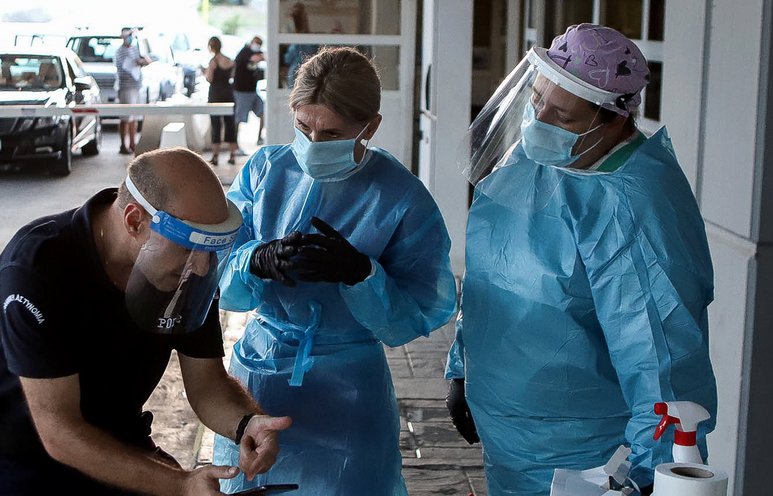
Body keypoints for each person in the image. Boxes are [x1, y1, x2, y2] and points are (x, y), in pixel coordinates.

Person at [444, 23, 719, 496]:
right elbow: (491, 274)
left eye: (563, 116)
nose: (539, 121)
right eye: (536, 100)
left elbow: (662, 359)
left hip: (586, 457)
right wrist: (462, 365)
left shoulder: (633, 206)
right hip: (507, 435)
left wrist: (654, 476)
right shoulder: (533, 161)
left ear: (614, 119)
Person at [211, 46, 457, 495]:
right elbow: (215, 269)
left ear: (370, 127)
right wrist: (255, 260)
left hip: (348, 387)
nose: (313, 143)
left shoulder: (400, 196)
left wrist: (362, 275)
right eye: (303, 127)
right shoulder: (265, 170)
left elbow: (420, 310)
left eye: (331, 134)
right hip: (259, 374)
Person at [0, 147, 292, 495]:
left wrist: (245, 423)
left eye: (210, 250)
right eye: (189, 248)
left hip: (123, 439)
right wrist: (180, 484)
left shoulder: (190, 272)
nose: (201, 268)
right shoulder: (38, 269)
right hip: (27, 461)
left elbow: (207, 383)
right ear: (135, 221)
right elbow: (59, 431)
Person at [114, 28, 151, 155]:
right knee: (126, 117)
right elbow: (125, 66)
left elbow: (146, 61)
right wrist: (137, 62)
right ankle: (123, 145)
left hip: (136, 86)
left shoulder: (136, 49)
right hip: (126, 87)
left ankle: (132, 143)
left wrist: (141, 59)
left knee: (134, 118)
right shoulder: (120, 51)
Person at [205, 36, 238, 166]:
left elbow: (209, 78)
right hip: (228, 93)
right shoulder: (230, 61)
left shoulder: (213, 61)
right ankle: (232, 155)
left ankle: (215, 156)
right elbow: (232, 75)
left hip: (215, 95)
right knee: (230, 124)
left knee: (216, 125)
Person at [234, 35, 266, 147]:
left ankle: (259, 138)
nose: (258, 46)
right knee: (239, 118)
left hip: (252, 91)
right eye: (257, 43)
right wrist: (262, 57)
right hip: (242, 92)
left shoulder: (255, 52)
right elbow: (255, 58)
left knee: (263, 113)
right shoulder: (244, 52)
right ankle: (235, 144)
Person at [283, 2, 321, 90]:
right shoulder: (306, 41)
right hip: (305, 72)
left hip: (302, 72)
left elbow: (288, 59)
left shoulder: (302, 42)